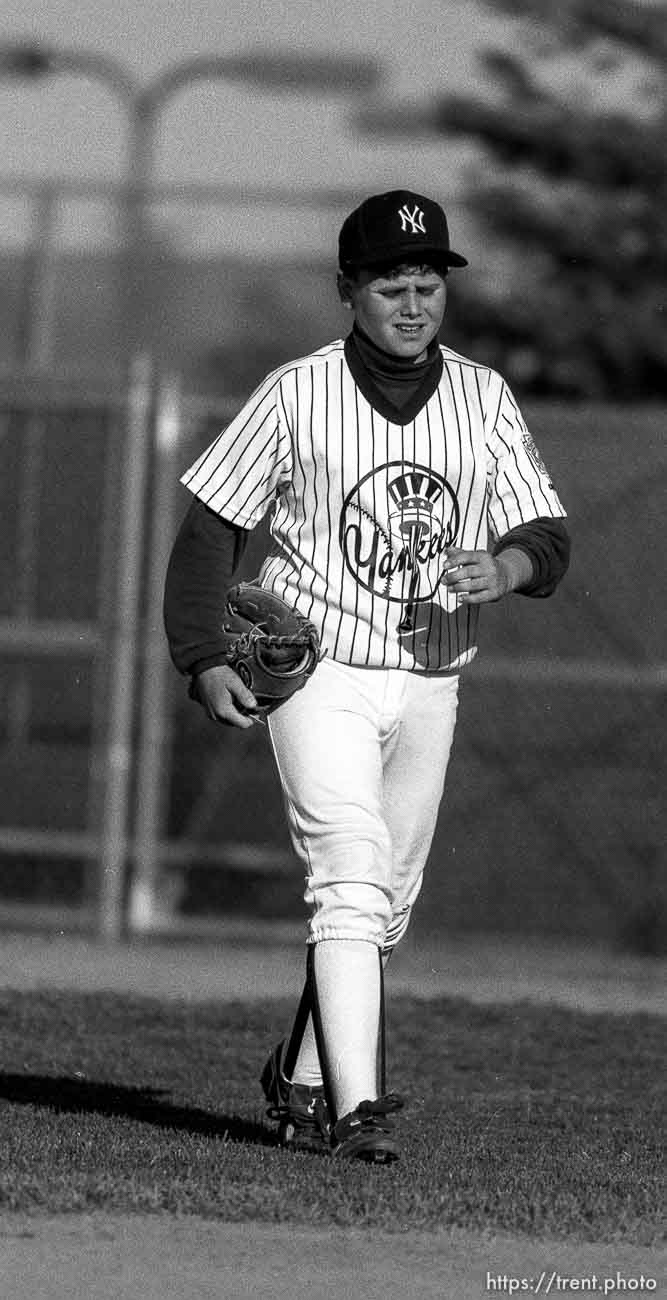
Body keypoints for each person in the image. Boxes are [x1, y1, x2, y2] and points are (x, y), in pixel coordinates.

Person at [164, 189, 570, 1164]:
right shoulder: (296, 391)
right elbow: (209, 530)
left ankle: (300, 1081)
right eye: (391, 282)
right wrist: (204, 657)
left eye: (427, 281)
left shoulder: (481, 397)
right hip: (321, 673)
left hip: (432, 675)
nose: (413, 299)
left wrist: (503, 567)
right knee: (348, 869)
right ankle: (355, 1106)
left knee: (382, 903)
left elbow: (546, 538)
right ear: (349, 289)